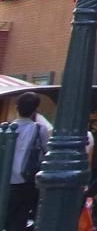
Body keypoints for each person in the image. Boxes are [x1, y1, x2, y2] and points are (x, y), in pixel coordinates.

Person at [7, 92, 51, 231]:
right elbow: (47, 152)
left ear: (16, 107)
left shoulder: (6, 128)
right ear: (35, 110)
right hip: (28, 181)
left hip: (7, 181)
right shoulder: (40, 129)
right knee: (20, 219)